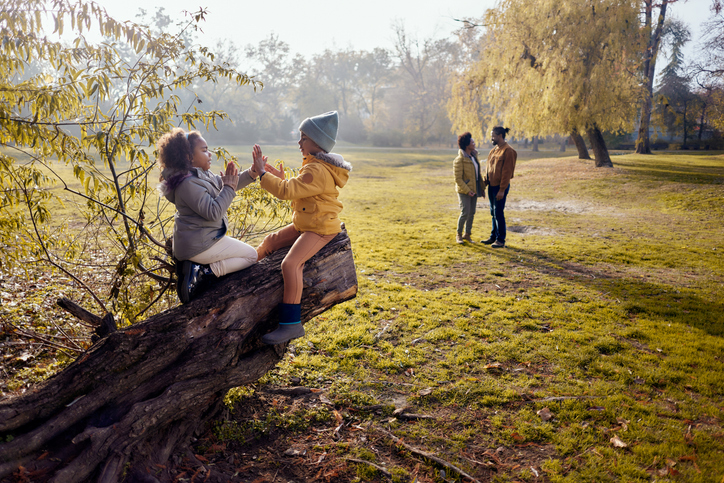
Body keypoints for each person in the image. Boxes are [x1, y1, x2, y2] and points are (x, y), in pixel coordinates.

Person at [251, 111, 351, 345]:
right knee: (270, 242)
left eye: (303, 137)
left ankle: (290, 324)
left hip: (320, 228)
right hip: (307, 223)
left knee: (291, 263)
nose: (299, 143)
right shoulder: (315, 165)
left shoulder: (316, 169)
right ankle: (243, 267)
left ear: (318, 142)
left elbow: (288, 191)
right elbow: (294, 187)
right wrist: (278, 177)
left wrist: (263, 174)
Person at [157, 128, 259, 304]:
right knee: (251, 256)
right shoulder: (187, 184)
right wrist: (228, 188)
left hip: (201, 240)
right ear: (188, 156)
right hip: (199, 246)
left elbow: (223, 183)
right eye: (204, 150)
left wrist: (252, 173)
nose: (210, 154)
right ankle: (204, 273)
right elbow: (213, 212)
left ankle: (200, 269)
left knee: (248, 255)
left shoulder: (198, 175)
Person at [482, 126, 517, 248]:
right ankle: (493, 237)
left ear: (500, 136)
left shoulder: (508, 151)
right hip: (492, 186)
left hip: (500, 187)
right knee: (493, 212)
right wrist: (484, 184)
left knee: (498, 212)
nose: (492, 138)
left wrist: (502, 190)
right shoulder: (494, 150)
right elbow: (488, 169)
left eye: (493, 135)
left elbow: (507, 173)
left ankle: (501, 240)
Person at [453, 132, 484, 244]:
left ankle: (467, 235)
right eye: (472, 142)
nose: (474, 143)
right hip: (464, 191)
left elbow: (477, 176)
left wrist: (482, 188)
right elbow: (458, 179)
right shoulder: (459, 160)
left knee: (472, 212)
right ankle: (459, 235)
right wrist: (468, 190)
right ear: (467, 144)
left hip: (474, 190)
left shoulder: (474, 157)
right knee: (465, 212)